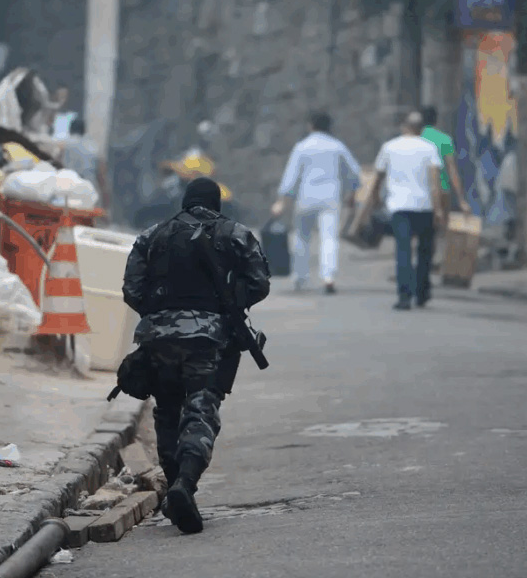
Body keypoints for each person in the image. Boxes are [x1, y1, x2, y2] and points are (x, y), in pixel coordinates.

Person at [122, 177, 270, 534]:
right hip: (208, 339)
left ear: (184, 202)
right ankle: (184, 485)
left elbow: (132, 290)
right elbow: (260, 283)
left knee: (168, 411)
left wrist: (160, 316)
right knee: (201, 408)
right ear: (216, 203)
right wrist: (228, 306)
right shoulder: (234, 233)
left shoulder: (151, 235)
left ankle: (175, 488)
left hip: (157, 339)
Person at [271, 112, 361, 294]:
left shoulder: (302, 146)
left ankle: (300, 276)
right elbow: (354, 172)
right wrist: (352, 192)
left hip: (306, 197)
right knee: (329, 238)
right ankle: (328, 277)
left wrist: (282, 201)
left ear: (310, 125)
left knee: (302, 237)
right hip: (330, 198)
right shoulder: (337, 146)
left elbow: (291, 175)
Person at [370, 112, 445, 310]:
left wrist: (375, 198)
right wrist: (438, 209)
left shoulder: (389, 147)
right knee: (424, 251)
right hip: (424, 206)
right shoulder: (430, 148)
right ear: (421, 129)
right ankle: (422, 292)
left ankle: (404, 296)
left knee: (403, 250)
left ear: (404, 126)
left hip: (399, 207)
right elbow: (435, 182)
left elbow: (377, 177)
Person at [420, 106, 472, 267]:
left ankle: (423, 259)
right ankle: (435, 260)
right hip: (442, 190)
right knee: (440, 227)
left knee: (421, 228)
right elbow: (452, 170)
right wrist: (462, 199)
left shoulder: (415, 140)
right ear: (436, 120)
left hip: (421, 190)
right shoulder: (444, 139)